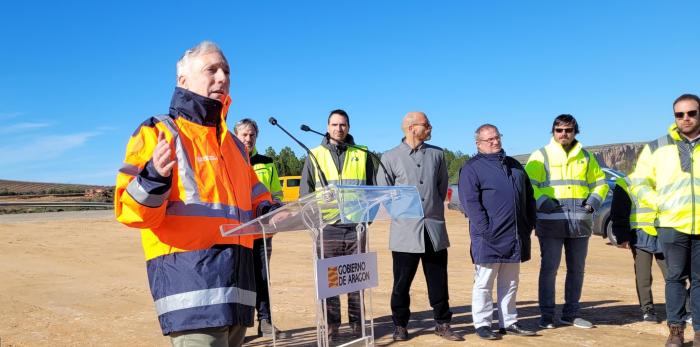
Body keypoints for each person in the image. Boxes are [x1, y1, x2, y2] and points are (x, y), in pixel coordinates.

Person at [115, 41, 280, 347]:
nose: (222, 78)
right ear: (183, 80)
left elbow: (257, 200)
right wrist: (154, 177)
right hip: (192, 294)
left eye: (227, 71)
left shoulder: (234, 146)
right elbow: (130, 210)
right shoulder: (157, 133)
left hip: (237, 291)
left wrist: (273, 211)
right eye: (212, 69)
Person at [377, 112, 463, 342]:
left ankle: (443, 323)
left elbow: (441, 187)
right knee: (402, 282)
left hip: (433, 230)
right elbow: (383, 195)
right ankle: (400, 326)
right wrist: (405, 214)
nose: (430, 127)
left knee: (438, 280)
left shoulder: (437, 154)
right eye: (426, 124)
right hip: (405, 232)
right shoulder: (390, 157)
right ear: (412, 128)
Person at [525, 114, 608, 330]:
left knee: (577, 270)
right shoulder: (541, 155)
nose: (564, 134)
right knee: (549, 269)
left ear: (575, 132)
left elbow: (601, 184)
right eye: (559, 130)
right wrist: (543, 202)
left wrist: (591, 204)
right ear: (553, 132)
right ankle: (547, 315)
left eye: (568, 130)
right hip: (550, 223)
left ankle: (570, 314)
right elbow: (527, 185)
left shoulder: (586, 157)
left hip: (579, 224)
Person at [629, 93, 700, 347]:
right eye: (680, 114)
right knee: (675, 279)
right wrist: (658, 203)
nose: (686, 118)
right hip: (671, 224)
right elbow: (637, 182)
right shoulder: (657, 146)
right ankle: (676, 331)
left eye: (691, 113)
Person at [299, 109, 375, 341]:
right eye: (334, 125)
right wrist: (316, 225)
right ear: (327, 126)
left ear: (349, 127)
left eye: (342, 125)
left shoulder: (362, 154)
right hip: (328, 227)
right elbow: (305, 194)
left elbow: (373, 190)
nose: (338, 129)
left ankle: (357, 326)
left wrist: (366, 220)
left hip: (355, 227)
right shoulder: (314, 155)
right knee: (330, 281)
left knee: (356, 279)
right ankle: (332, 328)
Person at [458, 124, 537, 340]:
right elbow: (471, 204)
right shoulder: (471, 168)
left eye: (497, 137)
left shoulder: (515, 166)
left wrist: (528, 223)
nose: (495, 142)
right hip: (489, 238)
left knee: (510, 282)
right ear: (478, 144)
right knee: (484, 283)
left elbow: (529, 197)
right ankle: (483, 324)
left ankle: (509, 321)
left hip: (515, 236)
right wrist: (487, 230)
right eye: (490, 139)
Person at [233, 118, 289, 339]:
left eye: (252, 135)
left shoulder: (267, 162)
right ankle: (237, 328)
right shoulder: (227, 160)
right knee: (237, 279)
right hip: (236, 234)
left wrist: (274, 216)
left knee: (262, 278)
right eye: (244, 134)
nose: (248, 138)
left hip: (261, 233)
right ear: (235, 136)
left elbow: (276, 195)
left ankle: (265, 321)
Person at [610, 176, 667, 323]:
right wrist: (622, 235)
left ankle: (684, 308)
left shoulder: (667, 176)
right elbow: (618, 211)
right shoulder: (627, 182)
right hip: (640, 235)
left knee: (673, 275)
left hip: (666, 232)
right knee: (644, 276)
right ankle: (647, 310)